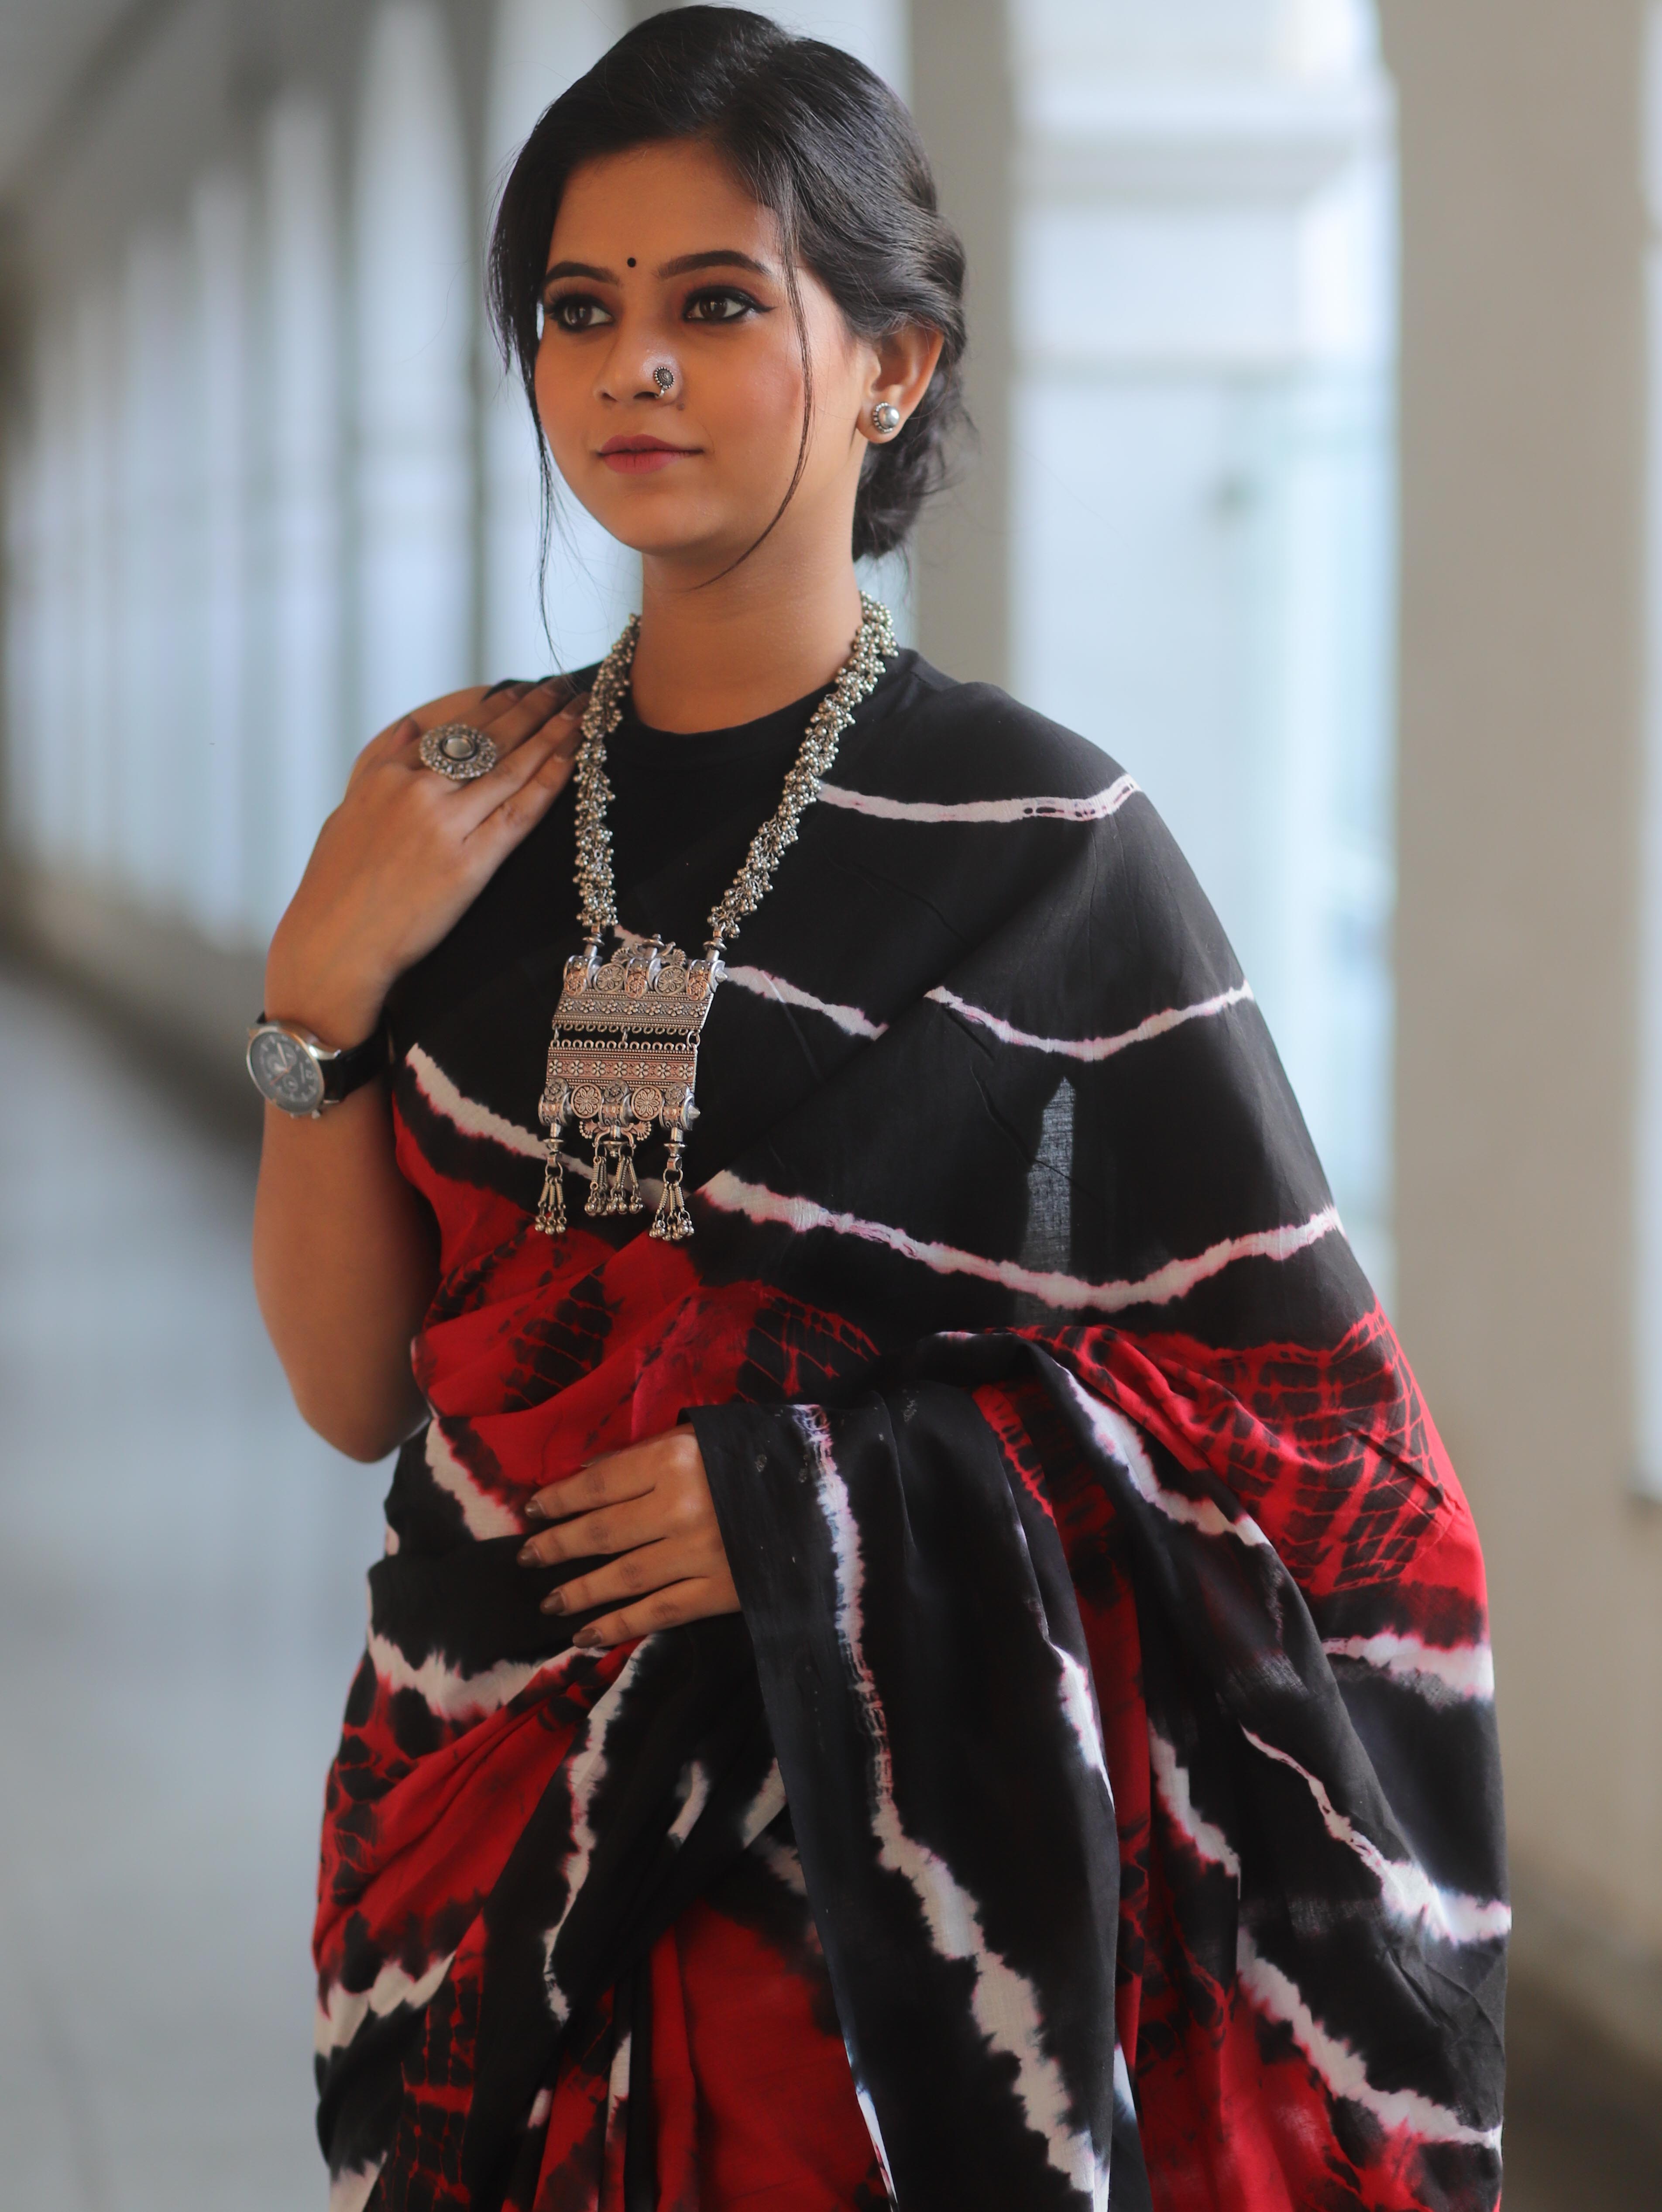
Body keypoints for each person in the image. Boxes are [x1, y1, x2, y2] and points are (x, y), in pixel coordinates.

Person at [250, 11, 1507, 2209]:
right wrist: (313, 994)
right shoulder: (447, 810)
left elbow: (1328, 1465)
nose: (630, 368)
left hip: (878, 1932)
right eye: (577, 310)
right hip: (478, 1828)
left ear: (894, 364)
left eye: (715, 304)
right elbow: (361, 1390)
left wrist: (819, 1506)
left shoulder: (1049, 848)